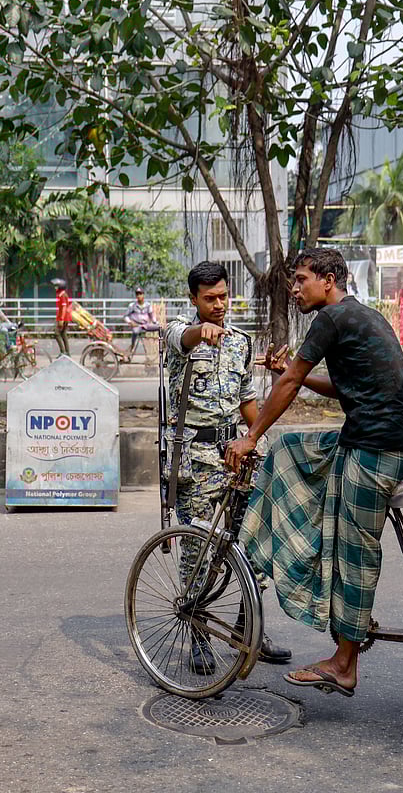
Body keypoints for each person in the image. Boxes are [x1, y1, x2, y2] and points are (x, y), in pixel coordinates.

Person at [225, 247, 403, 697]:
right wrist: (290, 370)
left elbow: (289, 383)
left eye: (301, 280)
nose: (294, 289)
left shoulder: (331, 319)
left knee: (355, 552)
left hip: (376, 450)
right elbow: (337, 385)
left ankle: (344, 664)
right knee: (291, 448)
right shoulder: (355, 316)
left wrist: (250, 436)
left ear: (328, 280)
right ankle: (284, 547)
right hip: (378, 442)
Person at [163, 262, 292, 675]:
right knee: (198, 554)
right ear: (194, 300)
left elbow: (246, 401)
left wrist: (258, 437)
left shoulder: (240, 342)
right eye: (209, 299)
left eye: (223, 296)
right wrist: (199, 332)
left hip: (235, 453)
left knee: (256, 543)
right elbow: (181, 338)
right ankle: (198, 632)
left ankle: (246, 629)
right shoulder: (178, 334)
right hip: (194, 460)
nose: (219, 306)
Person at [123, 288, 160, 359]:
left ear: (143, 295)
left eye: (140, 294)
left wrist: (156, 322)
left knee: (160, 328)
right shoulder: (132, 305)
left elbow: (152, 316)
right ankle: (132, 346)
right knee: (135, 331)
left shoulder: (148, 305)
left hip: (146, 325)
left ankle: (163, 344)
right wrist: (130, 322)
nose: (139, 296)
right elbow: (125, 316)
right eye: (137, 294)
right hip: (137, 325)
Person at [52, 279, 72, 356]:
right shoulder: (61, 294)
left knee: (57, 333)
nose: (55, 288)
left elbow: (63, 308)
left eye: (56, 286)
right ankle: (67, 352)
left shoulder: (62, 295)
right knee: (63, 334)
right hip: (63, 318)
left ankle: (63, 352)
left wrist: (61, 319)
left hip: (63, 318)